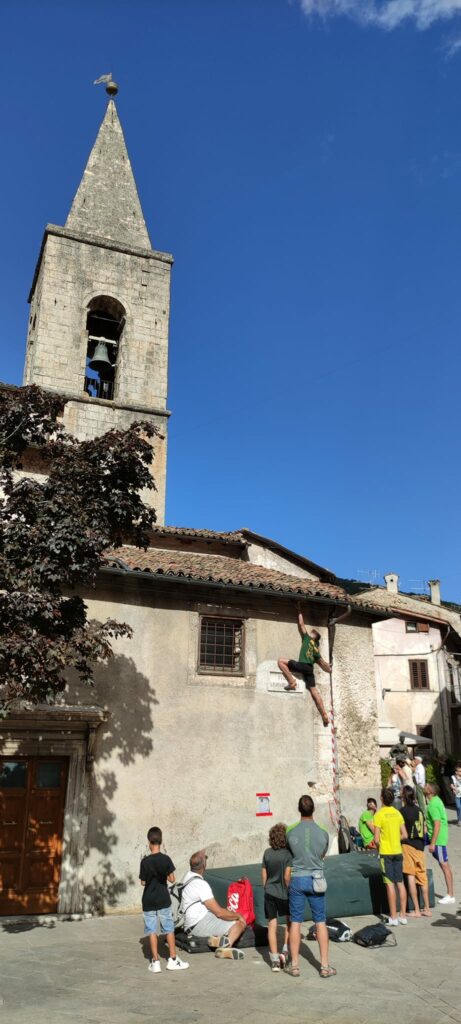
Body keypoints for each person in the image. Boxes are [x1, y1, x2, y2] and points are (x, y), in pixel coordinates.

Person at [285, 795, 336, 979]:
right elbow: (323, 854)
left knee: (296, 922)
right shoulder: (323, 831)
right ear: (313, 809)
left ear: (299, 809)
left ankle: (295, 965)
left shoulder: (290, 830)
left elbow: (288, 854)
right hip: (316, 878)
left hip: (297, 878)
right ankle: (324, 965)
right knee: (320, 921)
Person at [139, 826, 189, 974]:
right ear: (161, 841)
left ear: (149, 842)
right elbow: (172, 879)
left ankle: (155, 962)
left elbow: (142, 882)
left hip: (148, 899)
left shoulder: (145, 861)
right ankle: (173, 959)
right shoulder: (166, 859)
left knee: (152, 930)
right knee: (168, 928)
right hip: (163, 898)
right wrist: (164, 875)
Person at [180, 850, 247, 959]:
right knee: (239, 923)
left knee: (227, 917)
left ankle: (219, 940)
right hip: (199, 923)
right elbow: (219, 913)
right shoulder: (201, 884)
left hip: (192, 921)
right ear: (204, 866)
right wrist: (239, 916)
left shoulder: (187, 877)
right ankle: (225, 948)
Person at [278, 605, 332, 726]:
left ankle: (292, 682)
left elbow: (301, 624)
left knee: (281, 661)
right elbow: (323, 664)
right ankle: (324, 713)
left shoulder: (307, 638)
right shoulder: (316, 650)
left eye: (313, 632)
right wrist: (329, 669)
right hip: (309, 669)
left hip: (302, 665)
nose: (311, 631)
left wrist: (299, 610)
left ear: (314, 636)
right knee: (314, 691)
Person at [372, 787, 408, 926]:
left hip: (386, 852)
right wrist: (394, 838)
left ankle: (393, 917)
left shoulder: (379, 815)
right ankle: (402, 915)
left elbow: (376, 839)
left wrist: (382, 843)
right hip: (398, 851)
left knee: (389, 884)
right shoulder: (397, 813)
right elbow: (405, 835)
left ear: (381, 798)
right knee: (400, 882)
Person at [261, 822, 292, 971]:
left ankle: (274, 960)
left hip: (270, 892)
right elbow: (287, 876)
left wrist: (266, 886)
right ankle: (285, 950)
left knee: (271, 925)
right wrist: (289, 889)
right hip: (284, 893)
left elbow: (264, 873)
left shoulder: (267, 853)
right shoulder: (287, 854)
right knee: (289, 922)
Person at [400, 785, 431, 918]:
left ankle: (417, 910)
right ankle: (427, 909)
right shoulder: (420, 810)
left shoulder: (402, 811)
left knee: (411, 876)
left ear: (404, 796)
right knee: (422, 877)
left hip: (408, 845)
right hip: (420, 846)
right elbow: (424, 830)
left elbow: (401, 831)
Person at [424, 783, 455, 904]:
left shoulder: (433, 804)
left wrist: (433, 843)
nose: (424, 786)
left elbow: (437, 824)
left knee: (444, 865)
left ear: (430, 791)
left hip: (438, 840)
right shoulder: (436, 800)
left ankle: (450, 894)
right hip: (435, 837)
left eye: (426, 786)